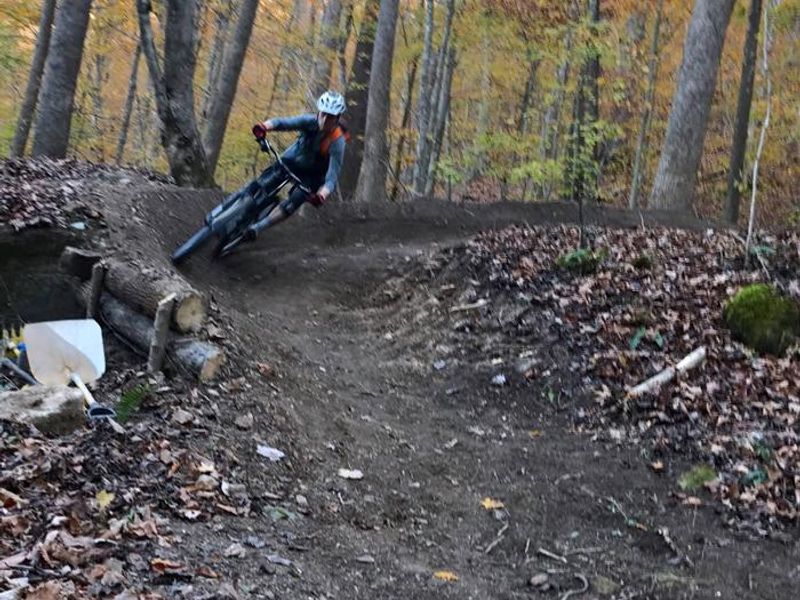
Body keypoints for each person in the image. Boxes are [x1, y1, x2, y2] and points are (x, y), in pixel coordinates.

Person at [244, 90, 348, 241]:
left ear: (337, 119)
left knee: (295, 199)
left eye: (330, 117)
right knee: (263, 183)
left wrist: (321, 195)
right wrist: (263, 127)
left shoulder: (337, 142)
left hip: (312, 175)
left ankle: (258, 228)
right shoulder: (309, 121)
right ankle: (238, 205)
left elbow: (332, 176)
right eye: (323, 114)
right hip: (292, 160)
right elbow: (283, 123)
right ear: (319, 112)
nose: (325, 119)